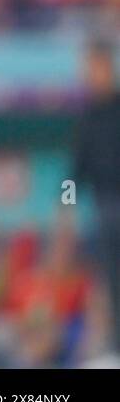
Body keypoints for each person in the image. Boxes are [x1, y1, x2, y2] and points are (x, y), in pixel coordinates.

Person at [74, 36, 120, 355]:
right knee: (109, 278)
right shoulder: (88, 115)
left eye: (99, 66)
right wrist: (64, 206)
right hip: (104, 204)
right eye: (89, 68)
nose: (93, 73)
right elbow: (77, 169)